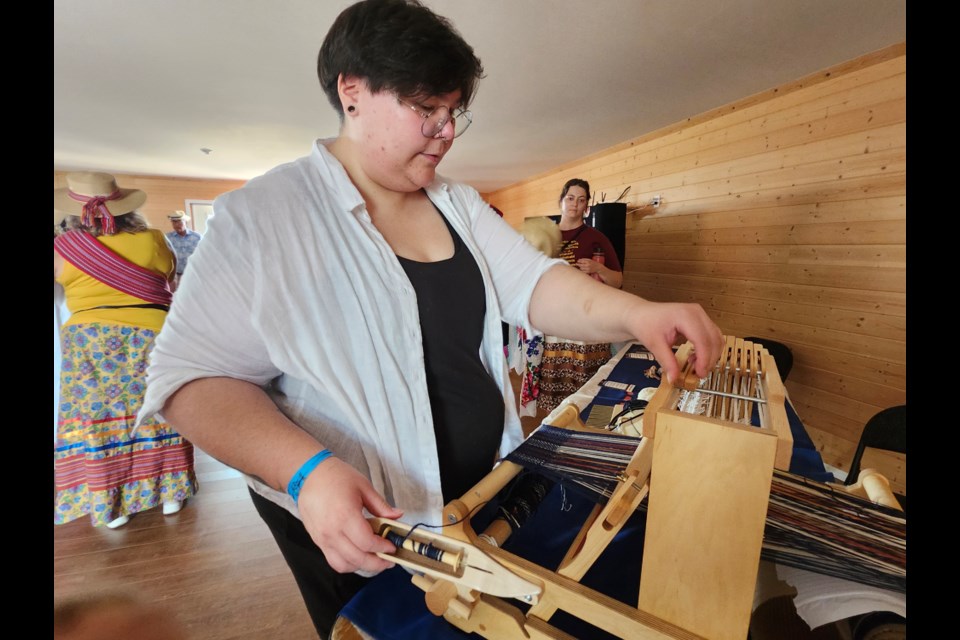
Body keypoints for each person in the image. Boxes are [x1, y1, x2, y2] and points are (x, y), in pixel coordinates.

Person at [136, 1, 723, 637]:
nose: (447, 133)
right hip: (364, 524)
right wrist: (305, 473)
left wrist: (640, 314)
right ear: (352, 92)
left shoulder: (459, 205)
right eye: (427, 111)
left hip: (480, 494)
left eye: (454, 113)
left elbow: (536, 287)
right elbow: (189, 382)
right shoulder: (262, 219)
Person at [54, 172, 198, 529]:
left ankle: (112, 500)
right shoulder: (151, 239)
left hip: (88, 340)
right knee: (162, 407)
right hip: (150, 333)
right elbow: (168, 275)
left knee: (101, 421)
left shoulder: (62, 247)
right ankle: (170, 493)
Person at [536, 178, 626, 413]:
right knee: (555, 381)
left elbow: (618, 281)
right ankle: (555, 430)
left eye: (581, 199)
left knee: (592, 381)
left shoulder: (597, 238)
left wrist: (598, 269)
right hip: (553, 324)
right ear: (561, 201)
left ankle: (594, 428)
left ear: (587, 206)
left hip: (588, 323)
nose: (575, 204)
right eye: (570, 198)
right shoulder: (544, 237)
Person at [165, 210, 202, 291]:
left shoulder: (197, 237)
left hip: (194, 273)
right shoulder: (167, 238)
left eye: (179, 222)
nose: (176, 225)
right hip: (176, 275)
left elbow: (203, 255)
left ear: (185, 221)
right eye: (174, 222)